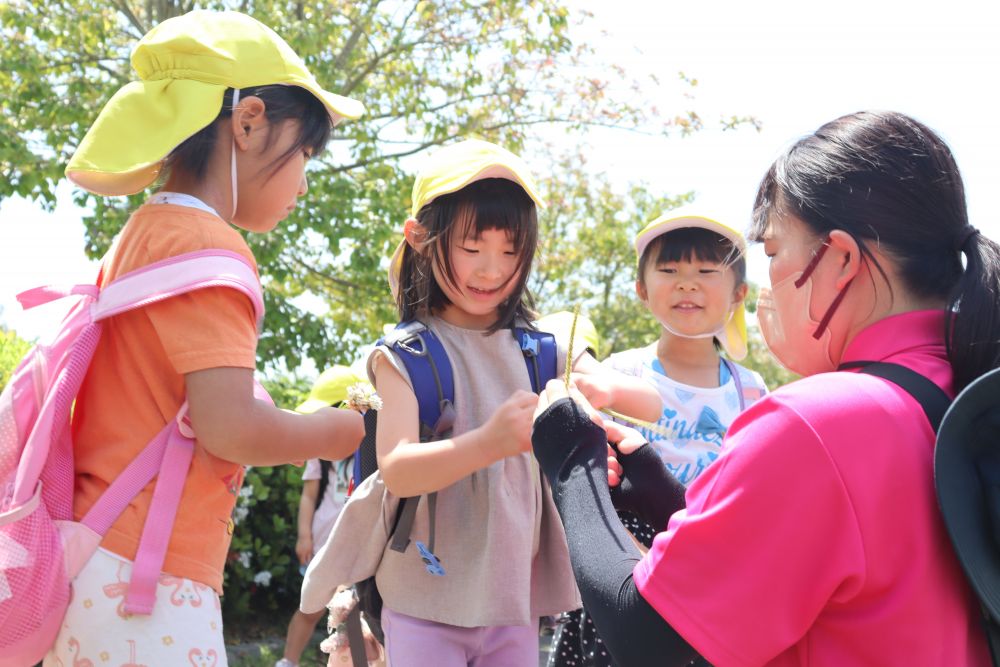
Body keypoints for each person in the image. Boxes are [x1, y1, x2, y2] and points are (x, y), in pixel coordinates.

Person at [530, 110, 1000, 666]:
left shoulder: (818, 422)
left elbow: (644, 633)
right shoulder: (961, 389)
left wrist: (571, 463)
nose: (768, 282)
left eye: (774, 253)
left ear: (841, 259)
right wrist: (663, 498)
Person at [49, 11, 365, 666]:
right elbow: (228, 426)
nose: (304, 182)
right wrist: (332, 432)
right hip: (149, 581)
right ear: (248, 122)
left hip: (87, 555)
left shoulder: (141, 235)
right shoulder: (212, 249)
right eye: (304, 154)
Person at [366, 138, 663, 666]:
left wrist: (604, 390)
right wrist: (489, 442)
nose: (491, 270)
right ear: (419, 238)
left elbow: (651, 403)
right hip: (423, 599)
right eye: (472, 247)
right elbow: (399, 470)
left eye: (510, 250)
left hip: (514, 602)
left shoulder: (542, 346)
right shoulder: (407, 354)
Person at [549, 211, 767, 667]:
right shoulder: (618, 374)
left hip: (713, 578)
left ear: (739, 293)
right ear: (642, 290)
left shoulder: (752, 390)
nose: (687, 285)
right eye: (669, 271)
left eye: (706, 272)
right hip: (632, 570)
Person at [276, 366, 368, 667]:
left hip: (358, 550)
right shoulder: (318, 453)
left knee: (353, 610)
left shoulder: (371, 449)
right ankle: (288, 661)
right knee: (309, 607)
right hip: (323, 546)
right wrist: (304, 535)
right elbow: (309, 495)